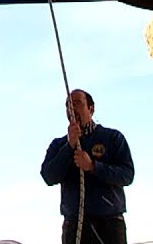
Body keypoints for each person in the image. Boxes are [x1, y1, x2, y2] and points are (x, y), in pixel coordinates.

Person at [41, 89, 135, 244]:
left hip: (109, 224)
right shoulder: (58, 145)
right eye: (68, 105)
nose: (71, 109)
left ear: (91, 108)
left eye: (77, 103)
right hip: (74, 225)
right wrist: (69, 146)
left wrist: (93, 166)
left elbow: (127, 175)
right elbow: (49, 176)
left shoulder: (113, 138)